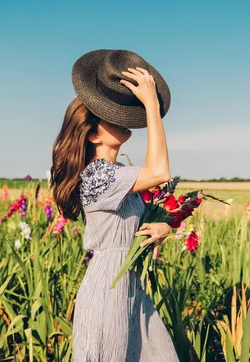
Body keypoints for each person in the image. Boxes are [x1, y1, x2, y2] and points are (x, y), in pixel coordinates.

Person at [50, 49, 180, 361]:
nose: (120, 120)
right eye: (108, 117)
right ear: (93, 135)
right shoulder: (97, 177)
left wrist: (162, 227)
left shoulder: (120, 176)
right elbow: (160, 172)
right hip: (109, 290)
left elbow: (136, 220)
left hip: (131, 288)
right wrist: (150, 106)